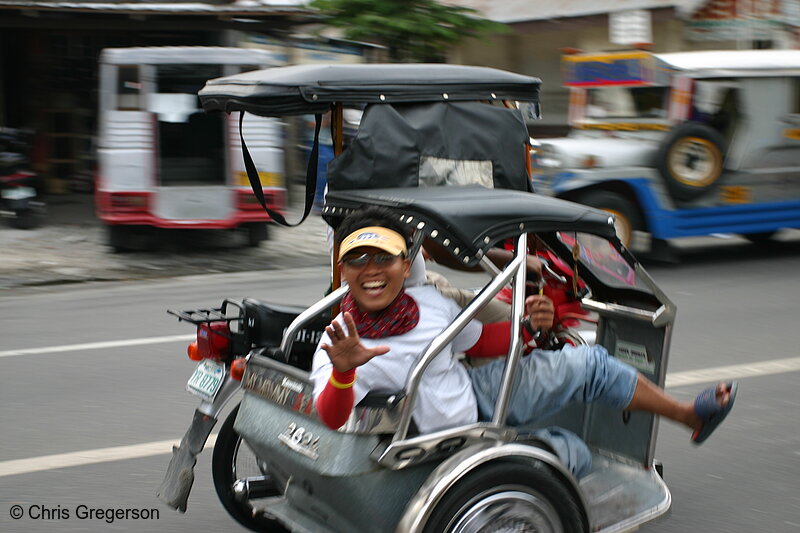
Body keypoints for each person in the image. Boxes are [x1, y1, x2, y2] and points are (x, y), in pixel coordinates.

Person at [310, 207, 737, 471]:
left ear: (406, 266)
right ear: (343, 271)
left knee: (589, 363)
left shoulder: (428, 303)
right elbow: (331, 416)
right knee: (576, 456)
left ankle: (687, 416)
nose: (371, 270)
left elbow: (478, 344)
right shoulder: (340, 338)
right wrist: (346, 371)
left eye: (383, 258)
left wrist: (530, 330)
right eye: (358, 260)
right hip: (443, 438)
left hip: (472, 392)